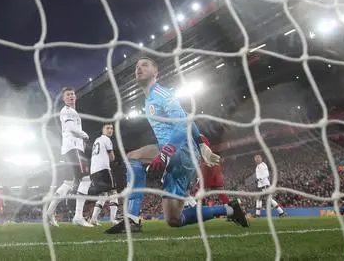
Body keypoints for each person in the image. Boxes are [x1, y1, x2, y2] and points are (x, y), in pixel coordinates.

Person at [106, 57, 248, 233]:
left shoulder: (161, 94)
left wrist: (166, 153)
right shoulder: (149, 99)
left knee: (132, 157)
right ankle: (231, 209)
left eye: (144, 65)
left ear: (155, 72)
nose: (138, 68)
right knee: (174, 219)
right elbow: (186, 118)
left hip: (181, 151)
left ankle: (132, 218)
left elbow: (181, 125)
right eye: (136, 66)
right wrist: (202, 144)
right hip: (182, 155)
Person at [45, 87, 93, 227]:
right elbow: (71, 129)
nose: (71, 96)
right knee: (85, 180)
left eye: (72, 94)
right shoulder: (67, 111)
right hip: (74, 149)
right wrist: (85, 135)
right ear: (63, 98)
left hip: (67, 150)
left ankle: (49, 213)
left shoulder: (72, 112)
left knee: (68, 183)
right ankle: (78, 216)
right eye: (68, 95)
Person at [88, 122, 119, 225]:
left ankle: (93, 219)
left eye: (111, 128)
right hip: (103, 169)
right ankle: (113, 219)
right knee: (113, 192)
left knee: (103, 195)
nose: (110, 130)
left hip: (93, 171)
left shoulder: (97, 140)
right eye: (108, 128)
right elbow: (112, 157)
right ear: (103, 130)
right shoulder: (107, 139)